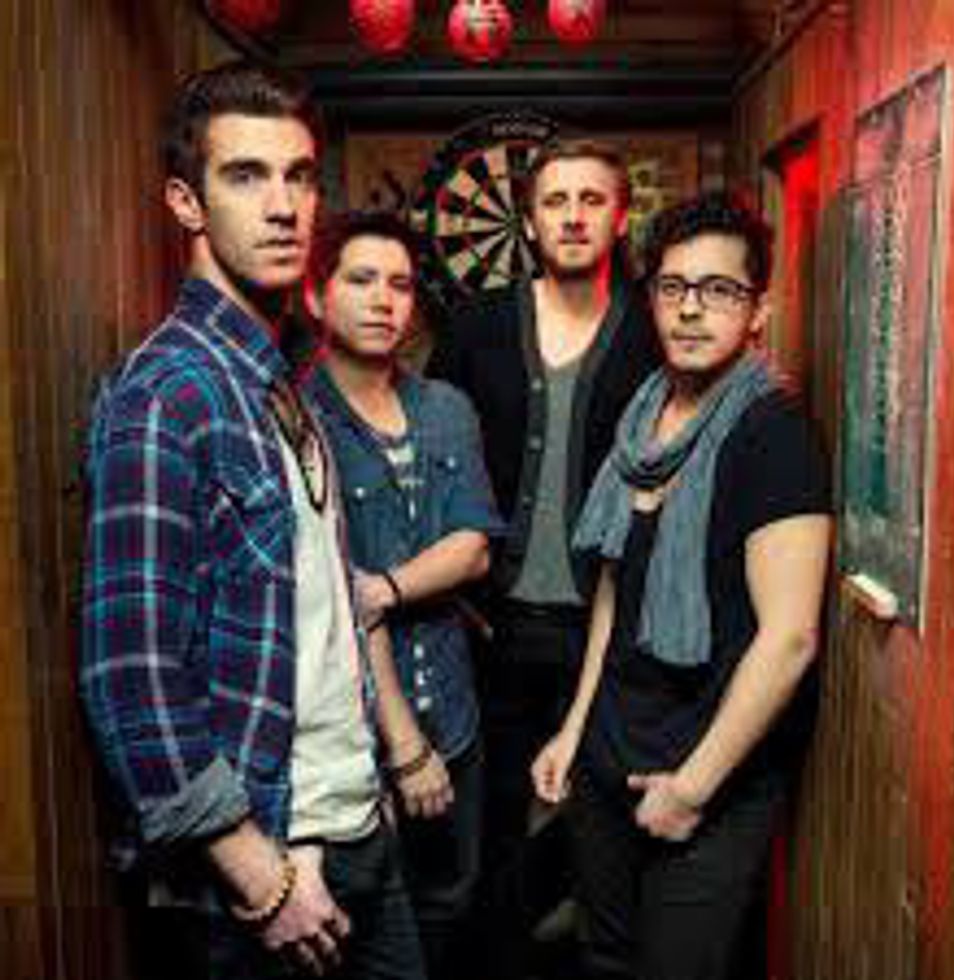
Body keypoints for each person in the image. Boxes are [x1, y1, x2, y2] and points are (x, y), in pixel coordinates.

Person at [80, 63, 425, 980]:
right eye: (246, 176)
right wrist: (260, 878)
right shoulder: (165, 396)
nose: (283, 206)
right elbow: (130, 673)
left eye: (299, 176)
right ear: (185, 202)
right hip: (271, 863)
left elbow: (319, 615)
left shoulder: (278, 379)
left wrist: (376, 777)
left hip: (356, 827)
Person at [531, 191, 833, 980]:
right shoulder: (643, 416)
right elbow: (615, 587)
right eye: (673, 287)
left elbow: (791, 638)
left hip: (706, 777)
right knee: (603, 956)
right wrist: (575, 728)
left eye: (720, 290)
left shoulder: (772, 433)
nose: (692, 309)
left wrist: (692, 790)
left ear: (758, 310)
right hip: (609, 754)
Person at [427, 138, 660, 978]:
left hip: (612, 632)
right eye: (555, 201)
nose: (572, 217)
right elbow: (432, 452)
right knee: (488, 827)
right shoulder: (478, 326)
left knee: (605, 824)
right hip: (490, 627)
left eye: (592, 200)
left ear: (620, 217)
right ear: (528, 220)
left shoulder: (654, 331)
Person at [300, 211, 501, 980]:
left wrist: (385, 587)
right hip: (353, 733)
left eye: (400, 284)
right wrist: (405, 746)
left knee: (453, 898)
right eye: (361, 280)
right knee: (363, 920)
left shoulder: (446, 408)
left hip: (453, 707)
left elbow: (474, 547)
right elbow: (336, 598)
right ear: (316, 296)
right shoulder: (298, 417)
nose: (384, 300)